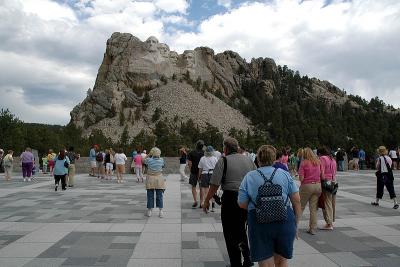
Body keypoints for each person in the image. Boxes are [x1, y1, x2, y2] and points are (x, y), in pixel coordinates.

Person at [238, 145, 301, 267]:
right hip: (284, 220)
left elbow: (242, 203)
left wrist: (260, 207)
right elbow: (296, 200)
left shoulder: (249, 176)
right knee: (282, 261)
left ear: (258, 159)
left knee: (265, 262)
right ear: (274, 159)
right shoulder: (284, 174)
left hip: (258, 222)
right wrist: (296, 223)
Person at [203, 137, 256, 267]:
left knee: (230, 232)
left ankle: (235, 262)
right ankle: (248, 259)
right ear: (237, 148)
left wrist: (206, 200)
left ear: (225, 148)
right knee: (241, 229)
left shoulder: (223, 161)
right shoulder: (249, 160)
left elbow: (214, 185)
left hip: (231, 199)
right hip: (247, 198)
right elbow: (255, 179)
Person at [298, 147, 323, 235]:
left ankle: (294, 227)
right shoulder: (318, 162)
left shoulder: (303, 163)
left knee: (300, 207)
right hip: (317, 186)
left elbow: (301, 178)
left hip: (307, 186)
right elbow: (321, 175)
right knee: (313, 209)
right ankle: (312, 228)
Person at [318, 146, 337, 230]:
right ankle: (331, 221)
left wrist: (322, 179)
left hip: (326, 182)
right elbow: (335, 172)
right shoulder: (332, 159)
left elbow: (321, 172)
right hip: (333, 181)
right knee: (332, 202)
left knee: (327, 202)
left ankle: (329, 223)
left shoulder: (322, 158)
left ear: (320, 153)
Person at [144, 147, 166, 218]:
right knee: (159, 195)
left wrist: (148, 155)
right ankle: (160, 211)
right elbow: (163, 166)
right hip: (159, 178)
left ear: (152, 153)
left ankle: (150, 210)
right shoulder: (161, 160)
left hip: (150, 178)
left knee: (150, 195)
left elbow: (143, 160)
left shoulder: (148, 160)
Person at [198, 146, 218, 212]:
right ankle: (213, 206)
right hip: (213, 174)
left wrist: (199, 176)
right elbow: (217, 169)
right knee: (213, 190)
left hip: (204, 174)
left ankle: (207, 206)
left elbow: (200, 169)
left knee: (206, 191)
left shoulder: (202, 158)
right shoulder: (215, 158)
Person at [188, 140, 205, 208]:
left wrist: (190, 170)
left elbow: (189, 163)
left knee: (193, 186)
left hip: (193, 172)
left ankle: (195, 200)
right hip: (202, 172)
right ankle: (201, 202)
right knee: (201, 187)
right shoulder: (204, 153)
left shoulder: (192, 152)